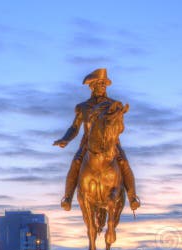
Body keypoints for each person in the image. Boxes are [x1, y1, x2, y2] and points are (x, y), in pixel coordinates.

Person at [54, 68, 140, 211]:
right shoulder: (83, 107)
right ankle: (67, 197)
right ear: (92, 86)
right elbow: (74, 127)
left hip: (111, 143)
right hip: (88, 144)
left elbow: (120, 126)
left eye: (104, 84)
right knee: (76, 162)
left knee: (123, 162)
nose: (102, 87)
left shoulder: (113, 105)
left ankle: (132, 197)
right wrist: (65, 139)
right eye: (100, 84)